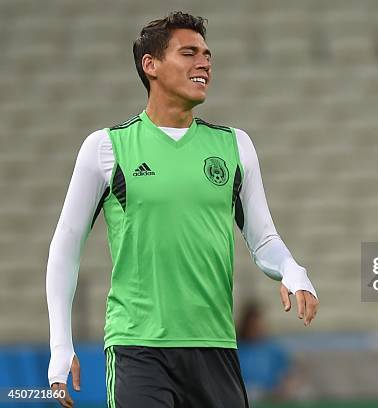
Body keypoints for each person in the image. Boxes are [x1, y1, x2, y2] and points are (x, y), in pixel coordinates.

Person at [46, 11, 318, 408]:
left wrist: (293, 269)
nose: (204, 62)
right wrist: (60, 344)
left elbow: (264, 240)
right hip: (138, 348)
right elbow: (65, 249)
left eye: (207, 54)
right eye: (189, 52)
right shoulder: (105, 148)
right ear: (150, 65)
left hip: (216, 348)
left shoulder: (235, 146)